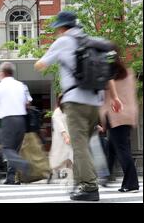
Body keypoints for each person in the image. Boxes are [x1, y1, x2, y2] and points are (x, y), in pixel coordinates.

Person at [34, 11, 123, 201]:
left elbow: (40, 64)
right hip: (95, 102)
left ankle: (90, 187)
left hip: (75, 101)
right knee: (89, 143)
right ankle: (84, 183)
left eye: (58, 28)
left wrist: (50, 60)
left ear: (62, 27)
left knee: (79, 145)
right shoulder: (93, 42)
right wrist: (115, 98)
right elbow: (107, 74)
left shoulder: (63, 41)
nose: (57, 31)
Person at [99, 45, 140, 193]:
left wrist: (103, 122)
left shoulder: (109, 77)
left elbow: (104, 101)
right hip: (128, 115)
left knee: (122, 150)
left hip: (116, 115)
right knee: (112, 146)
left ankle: (131, 183)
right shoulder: (128, 73)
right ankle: (106, 175)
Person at [0, 62, 32, 185]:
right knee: (14, 150)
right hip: (21, 120)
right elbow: (28, 103)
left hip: (8, 120)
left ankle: (24, 164)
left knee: (6, 149)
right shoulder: (22, 85)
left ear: (2, 73)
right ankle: (11, 178)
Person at [48, 96, 73, 184]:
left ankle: (70, 176)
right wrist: (65, 135)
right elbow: (60, 125)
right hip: (60, 138)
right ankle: (52, 172)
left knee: (70, 156)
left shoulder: (68, 110)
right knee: (59, 157)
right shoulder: (57, 111)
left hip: (69, 137)